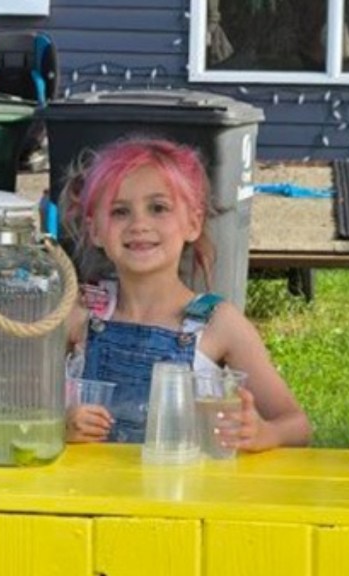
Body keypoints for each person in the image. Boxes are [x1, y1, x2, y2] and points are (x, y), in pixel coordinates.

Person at [61, 137, 311, 452]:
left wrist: (262, 434)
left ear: (193, 223)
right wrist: (60, 424)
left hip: (182, 495)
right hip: (85, 498)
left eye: (158, 208)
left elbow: (296, 425)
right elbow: (22, 406)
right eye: (119, 211)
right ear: (95, 229)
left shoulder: (219, 323)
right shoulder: (78, 312)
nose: (139, 224)